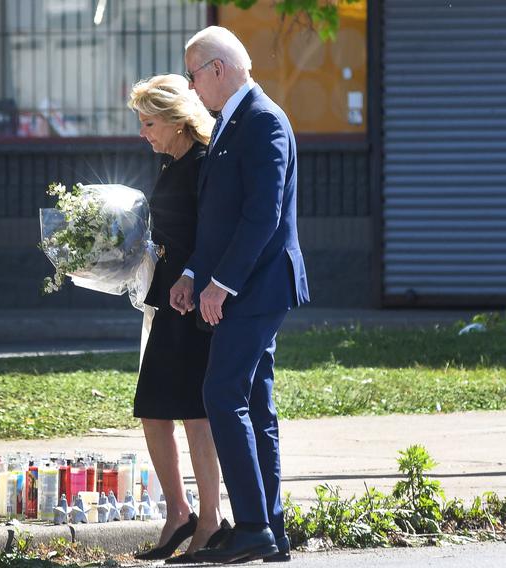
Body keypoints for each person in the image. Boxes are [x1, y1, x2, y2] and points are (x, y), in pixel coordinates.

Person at [169, 26, 310, 564]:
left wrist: (220, 285)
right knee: (253, 403)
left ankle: (253, 525)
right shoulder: (232, 120)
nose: (191, 85)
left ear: (218, 69)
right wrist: (191, 274)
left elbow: (261, 216)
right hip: (244, 283)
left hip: (259, 285)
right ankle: (267, 527)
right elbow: (219, 219)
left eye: (192, 73)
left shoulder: (263, 120)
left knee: (222, 394)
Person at [126, 74, 230, 562]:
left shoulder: (204, 163)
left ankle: (210, 518)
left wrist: (190, 275)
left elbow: (211, 234)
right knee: (153, 408)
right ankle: (178, 513)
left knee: (194, 414)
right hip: (168, 298)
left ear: (175, 120)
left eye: (149, 123)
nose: (144, 132)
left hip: (194, 302)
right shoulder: (172, 160)